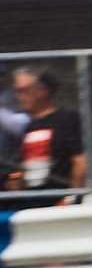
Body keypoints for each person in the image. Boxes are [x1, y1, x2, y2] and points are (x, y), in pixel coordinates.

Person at [3, 68, 86, 207]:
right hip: (32, 204)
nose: (19, 97)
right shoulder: (29, 127)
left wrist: (72, 198)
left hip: (59, 201)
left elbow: (80, 161)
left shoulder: (66, 119)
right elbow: (18, 167)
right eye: (17, 91)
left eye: (23, 91)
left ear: (42, 91)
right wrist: (15, 178)